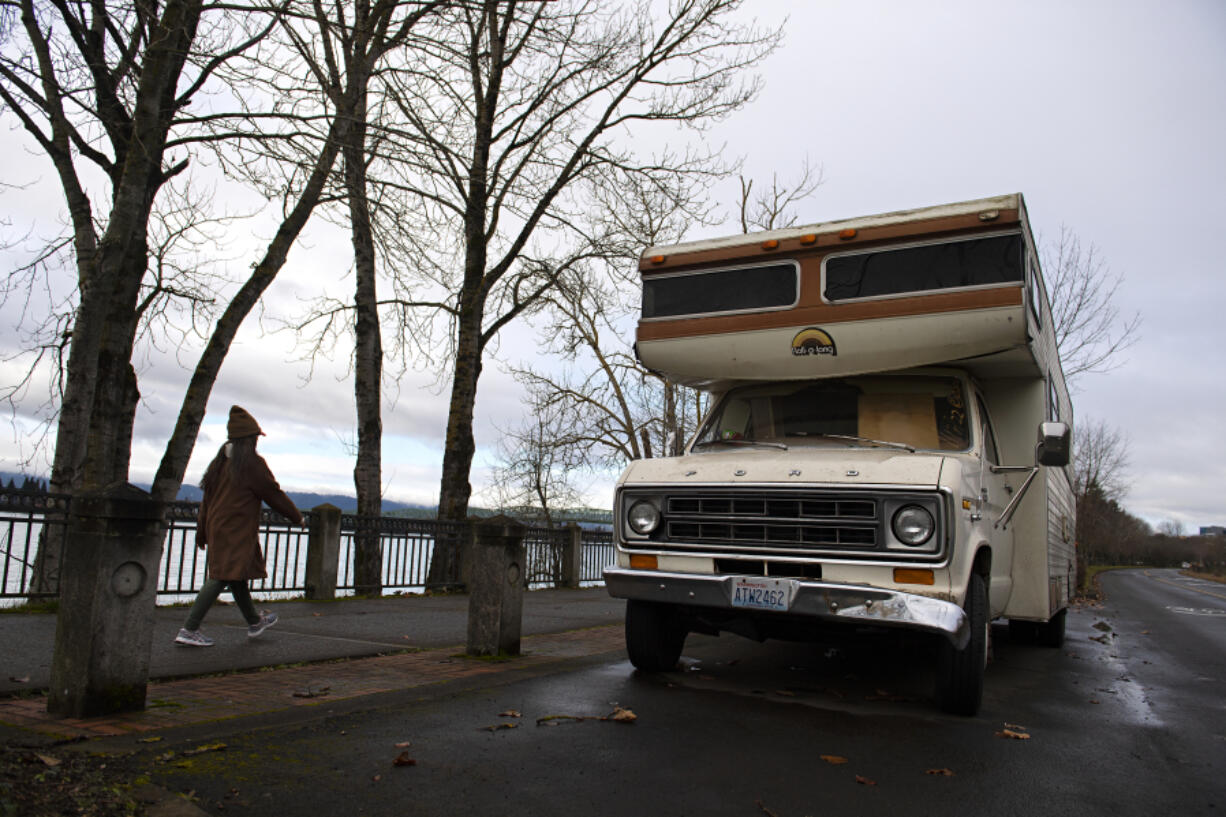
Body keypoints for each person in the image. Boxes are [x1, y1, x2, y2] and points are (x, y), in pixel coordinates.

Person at [175, 405, 305, 647]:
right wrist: (297, 517)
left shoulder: (220, 463)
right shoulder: (251, 464)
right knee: (221, 576)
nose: (257, 442)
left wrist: (202, 531)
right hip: (235, 530)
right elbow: (272, 493)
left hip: (217, 526)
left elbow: (207, 501)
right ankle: (189, 629)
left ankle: (254, 623)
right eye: (256, 437)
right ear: (249, 439)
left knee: (236, 576)